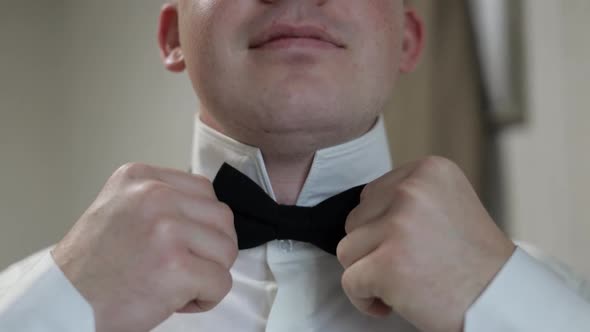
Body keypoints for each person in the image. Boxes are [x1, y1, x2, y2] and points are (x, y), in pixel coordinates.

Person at [1, 0, 589, 331]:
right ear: (173, 34)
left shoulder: (561, 304)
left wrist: (505, 302)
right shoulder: (26, 305)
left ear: (409, 39)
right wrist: (58, 310)